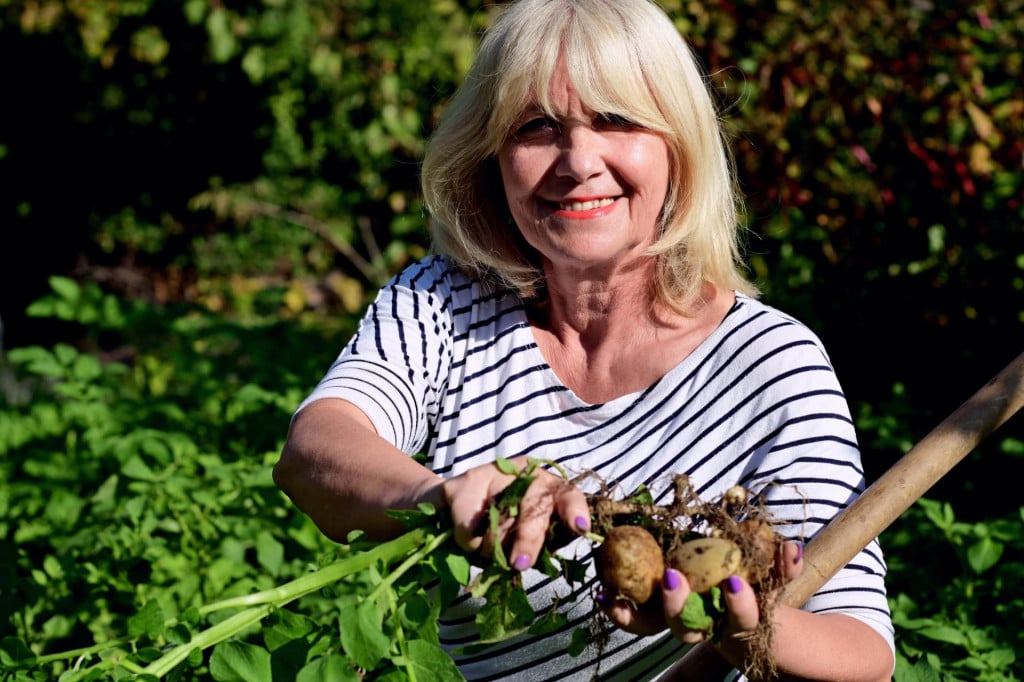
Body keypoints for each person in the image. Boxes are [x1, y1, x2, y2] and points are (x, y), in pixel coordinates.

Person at [273, 0, 896, 680]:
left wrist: (738, 630)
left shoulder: (770, 363)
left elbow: (863, 653)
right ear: (492, 155)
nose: (577, 161)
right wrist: (441, 496)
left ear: (677, 146)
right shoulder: (445, 303)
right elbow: (314, 452)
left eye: (616, 120)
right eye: (536, 126)